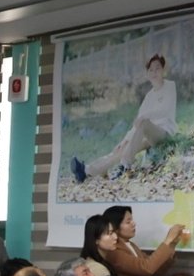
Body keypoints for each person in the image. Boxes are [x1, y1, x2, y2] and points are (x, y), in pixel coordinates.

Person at [71, 54, 179, 182]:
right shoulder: (149, 96)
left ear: (163, 70)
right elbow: (137, 124)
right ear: (148, 74)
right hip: (148, 136)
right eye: (151, 69)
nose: (154, 72)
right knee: (122, 148)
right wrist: (124, 140)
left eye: (157, 68)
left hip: (164, 133)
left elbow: (164, 110)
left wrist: (145, 116)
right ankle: (87, 171)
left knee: (143, 123)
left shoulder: (170, 86)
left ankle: (125, 166)